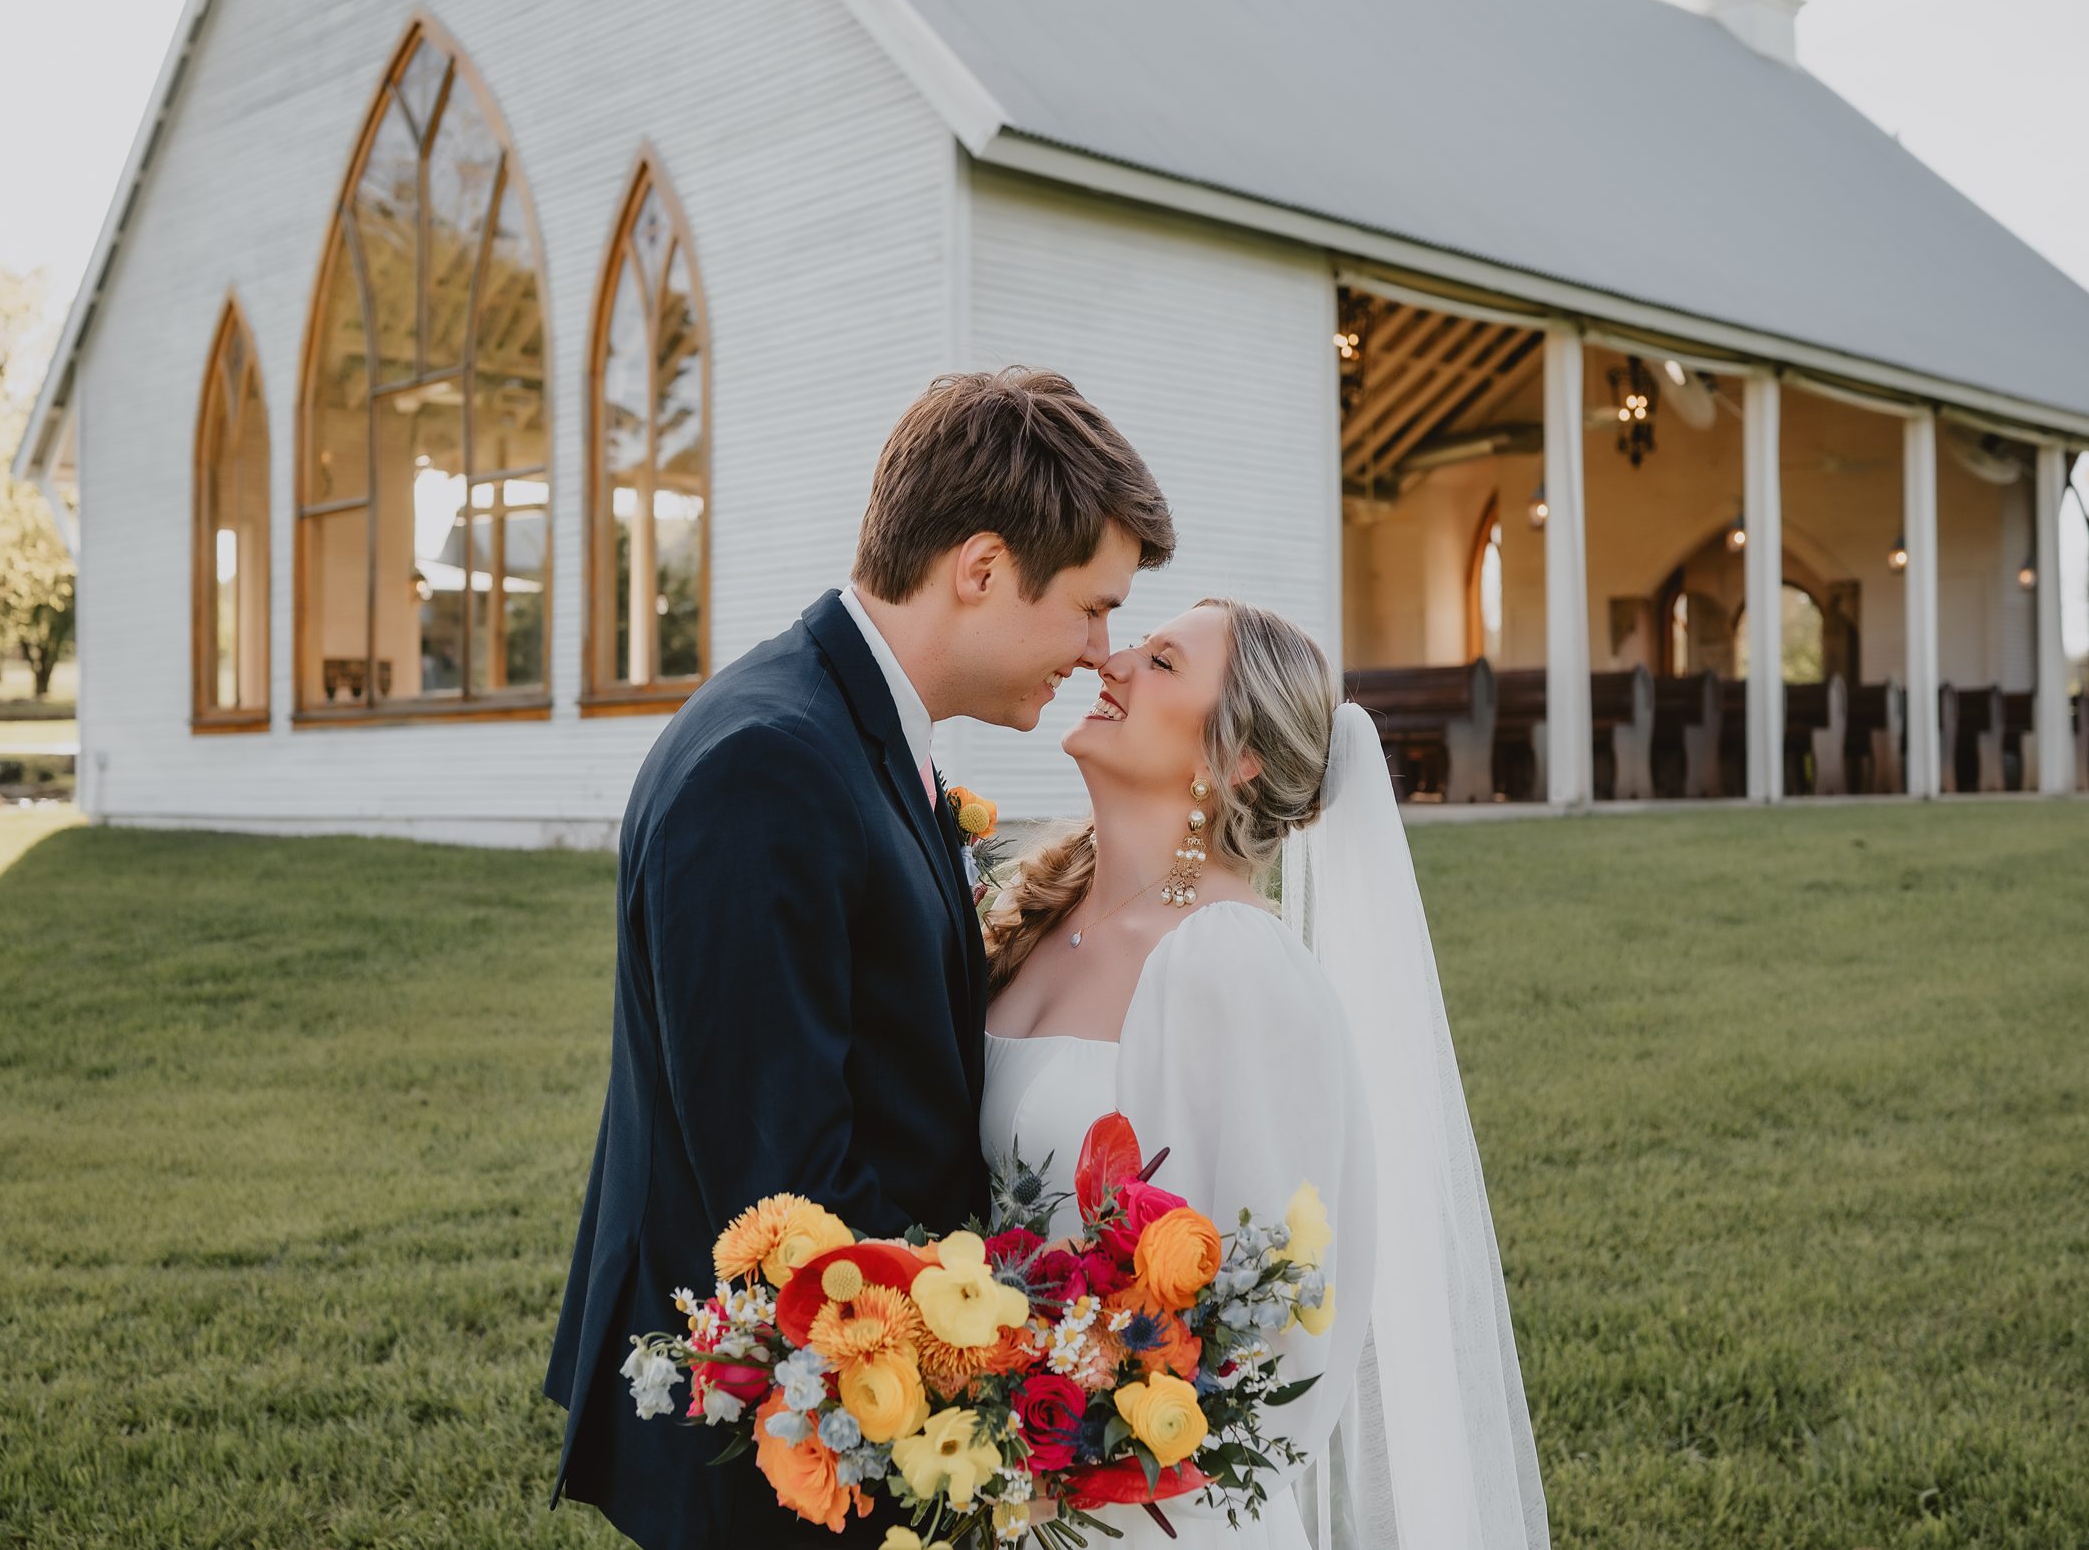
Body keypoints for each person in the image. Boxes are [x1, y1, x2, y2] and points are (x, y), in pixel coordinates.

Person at [544, 367, 1176, 1550]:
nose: (1103, 651)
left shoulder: (853, 726)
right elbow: (784, 1181)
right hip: (780, 1444)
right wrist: (1014, 1357)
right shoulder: (768, 768)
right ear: (981, 569)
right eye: (1092, 606)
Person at [981, 599, 1550, 1549]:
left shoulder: (1231, 964)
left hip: (1150, 1519)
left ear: (1232, 758)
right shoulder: (1040, 908)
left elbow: (1272, 1330)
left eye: (1161, 662)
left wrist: (1072, 1463)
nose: (1111, 663)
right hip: (991, 1482)